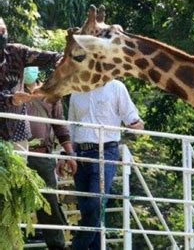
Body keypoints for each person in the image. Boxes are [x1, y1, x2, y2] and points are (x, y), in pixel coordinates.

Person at [68, 79, 144, 250]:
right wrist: (67, 155)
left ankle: (78, 246)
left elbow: (132, 118)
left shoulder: (116, 87)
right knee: (86, 207)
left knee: (95, 203)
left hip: (106, 150)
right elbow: (70, 127)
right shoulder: (76, 91)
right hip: (80, 153)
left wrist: (136, 125)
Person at [24, 66, 78, 250]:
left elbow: (60, 127)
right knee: (9, 201)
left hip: (42, 154)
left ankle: (57, 246)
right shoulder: (10, 92)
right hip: (16, 154)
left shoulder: (50, 94)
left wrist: (69, 153)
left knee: (49, 204)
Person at [0, 17, 61, 154]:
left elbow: (45, 57)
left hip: (18, 132)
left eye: (3, 30)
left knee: (19, 174)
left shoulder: (16, 52)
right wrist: (10, 99)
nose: (2, 34)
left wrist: (58, 59)